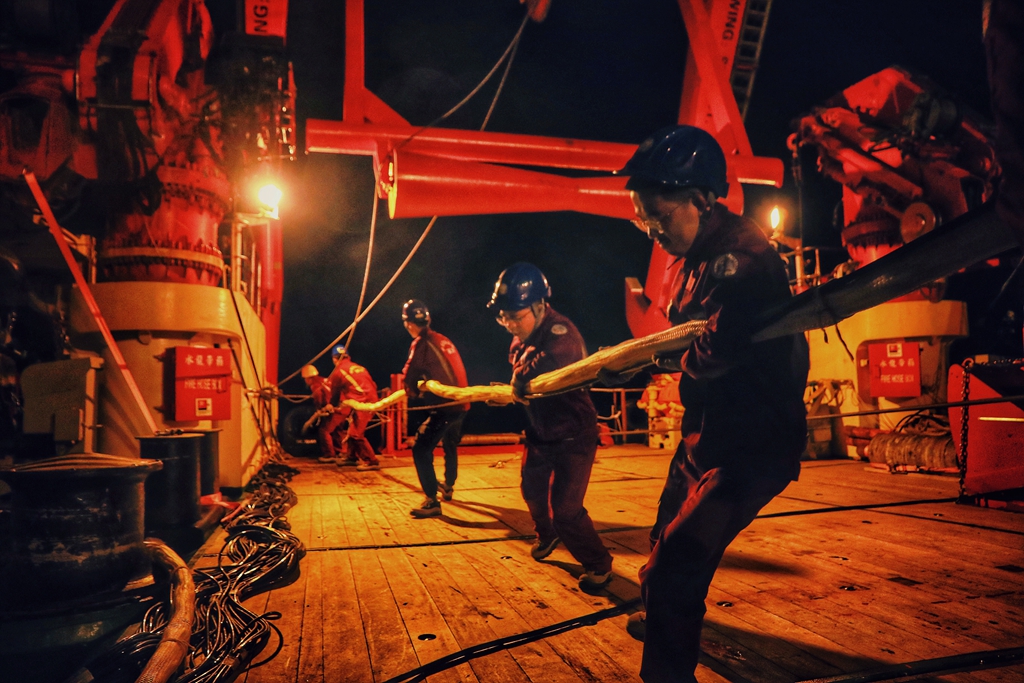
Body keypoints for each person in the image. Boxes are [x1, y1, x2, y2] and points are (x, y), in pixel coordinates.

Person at [616, 125, 808, 683]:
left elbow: (710, 352)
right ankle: (665, 620)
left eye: (659, 217)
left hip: (749, 449)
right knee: (663, 543)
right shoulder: (693, 257)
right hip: (706, 435)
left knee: (675, 568)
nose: (653, 232)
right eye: (644, 222)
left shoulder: (742, 259)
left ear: (701, 198)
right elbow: (685, 339)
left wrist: (650, 360)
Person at [489, 263, 614, 593]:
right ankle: (547, 535)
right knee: (531, 492)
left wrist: (519, 379)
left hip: (574, 434)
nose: (510, 324)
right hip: (541, 433)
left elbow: (552, 363)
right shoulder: (520, 340)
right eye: (504, 317)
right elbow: (522, 375)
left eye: (516, 316)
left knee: (566, 509)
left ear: (539, 306)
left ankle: (598, 565)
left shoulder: (561, 332)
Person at [401, 299, 469, 517]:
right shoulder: (442, 339)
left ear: (408, 324)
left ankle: (432, 501)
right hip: (462, 403)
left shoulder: (421, 343)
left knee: (420, 448)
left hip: (446, 406)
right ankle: (448, 486)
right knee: (450, 444)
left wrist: (414, 390)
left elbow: (409, 375)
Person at [327, 344, 381, 471]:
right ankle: (351, 457)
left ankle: (371, 461)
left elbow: (335, 392)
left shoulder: (339, 372)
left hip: (363, 403)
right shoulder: (359, 367)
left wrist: (331, 405)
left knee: (356, 433)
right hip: (369, 399)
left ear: (334, 359)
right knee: (352, 429)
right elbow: (372, 384)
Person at [301, 364, 340, 462]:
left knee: (324, 430)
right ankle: (341, 452)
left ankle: (329, 455)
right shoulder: (325, 380)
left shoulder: (315, 385)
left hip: (331, 408)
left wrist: (319, 409)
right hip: (341, 407)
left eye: (305, 379)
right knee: (337, 430)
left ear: (308, 378)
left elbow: (318, 396)